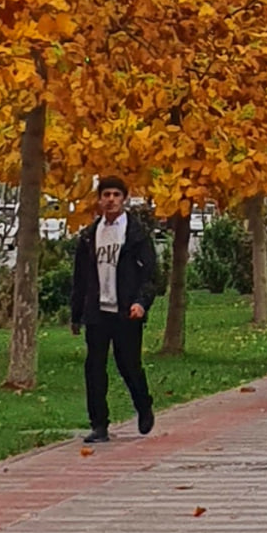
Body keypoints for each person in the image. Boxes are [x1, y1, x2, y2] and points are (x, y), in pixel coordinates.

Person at [70, 177, 157, 443]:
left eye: (116, 194)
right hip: (98, 312)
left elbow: (151, 274)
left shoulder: (135, 234)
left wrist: (141, 302)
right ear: (99, 199)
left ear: (124, 199)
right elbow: (80, 278)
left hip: (126, 312)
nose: (110, 199)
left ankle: (143, 406)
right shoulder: (89, 235)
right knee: (94, 368)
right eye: (106, 194)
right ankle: (99, 424)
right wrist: (76, 314)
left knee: (129, 365)